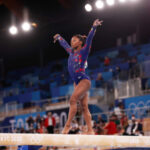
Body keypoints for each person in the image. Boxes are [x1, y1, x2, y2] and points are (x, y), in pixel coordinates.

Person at [53, 19, 103, 134]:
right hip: (77, 83)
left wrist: (94, 27)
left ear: (80, 42)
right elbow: (64, 44)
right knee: (84, 106)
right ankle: (90, 130)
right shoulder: (71, 52)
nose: (72, 42)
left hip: (84, 81)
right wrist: (59, 37)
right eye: (71, 40)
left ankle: (67, 126)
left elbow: (90, 39)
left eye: (74, 40)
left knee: (73, 99)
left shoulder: (84, 51)